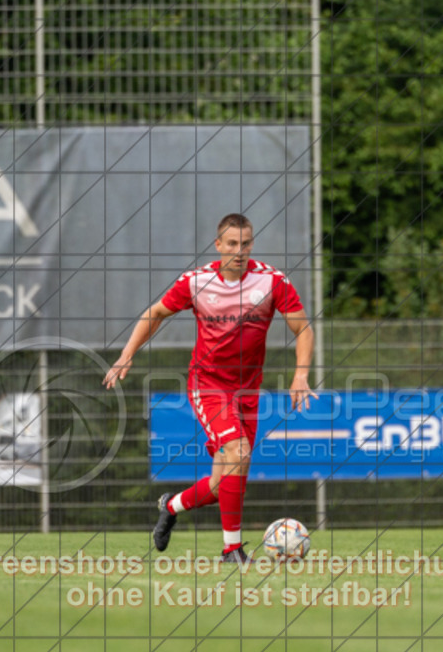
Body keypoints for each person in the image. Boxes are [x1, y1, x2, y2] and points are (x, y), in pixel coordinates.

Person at [104, 214, 316, 563]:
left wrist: (301, 375)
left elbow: (303, 329)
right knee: (237, 450)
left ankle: (170, 505)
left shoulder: (272, 281)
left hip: (248, 391)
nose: (239, 251)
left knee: (223, 485)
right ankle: (231, 550)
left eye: (245, 243)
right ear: (218, 245)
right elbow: (155, 313)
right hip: (209, 385)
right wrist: (127, 354)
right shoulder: (196, 282)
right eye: (232, 244)